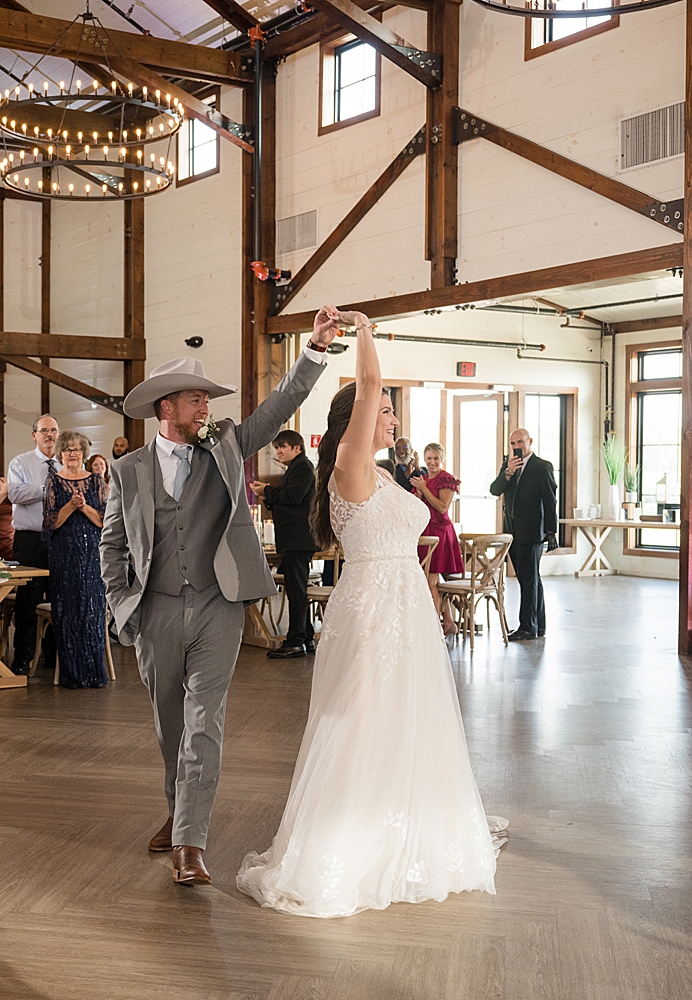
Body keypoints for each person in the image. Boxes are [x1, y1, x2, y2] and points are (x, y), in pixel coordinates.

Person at [237, 310, 505, 918]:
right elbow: (370, 389)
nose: (391, 417)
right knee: (364, 713)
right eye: (384, 411)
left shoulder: (383, 473)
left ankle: (409, 824)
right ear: (356, 419)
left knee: (410, 713)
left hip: (404, 600)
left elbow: (406, 541)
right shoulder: (349, 464)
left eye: (387, 412)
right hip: (372, 607)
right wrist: (362, 333)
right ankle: (351, 842)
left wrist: (430, 592)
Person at [100, 313, 333, 888]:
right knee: (171, 724)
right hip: (153, 610)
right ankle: (179, 812)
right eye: (194, 400)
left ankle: (190, 842)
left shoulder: (226, 444)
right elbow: (110, 544)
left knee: (205, 720)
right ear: (165, 409)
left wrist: (315, 350)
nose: (205, 408)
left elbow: (279, 406)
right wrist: (122, 605)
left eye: (207, 399)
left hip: (218, 605)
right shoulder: (128, 471)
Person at [44, 431, 108, 688]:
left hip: (92, 552)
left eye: (77, 450)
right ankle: (72, 673)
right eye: (68, 450)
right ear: (61, 454)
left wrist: (83, 507)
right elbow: (50, 523)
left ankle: (94, 671)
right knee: (68, 609)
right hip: (64, 553)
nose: (73, 453)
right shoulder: (53, 482)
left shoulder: (96, 481)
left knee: (92, 609)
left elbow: (104, 520)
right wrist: (70, 506)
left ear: (83, 453)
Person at [251, 429, 316, 659]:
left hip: (298, 539)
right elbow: (289, 499)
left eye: (283, 447)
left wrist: (268, 491)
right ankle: (306, 636)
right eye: (276, 448)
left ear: (296, 448)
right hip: (293, 539)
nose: (278, 451)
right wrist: (268, 495)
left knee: (297, 592)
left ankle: (295, 642)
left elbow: (294, 497)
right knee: (296, 590)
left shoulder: (302, 467)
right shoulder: (296, 468)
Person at [489, 428, 558, 641]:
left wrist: (551, 531)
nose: (517, 447)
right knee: (529, 579)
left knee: (528, 580)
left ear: (530, 441)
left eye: (520, 442)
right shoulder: (508, 466)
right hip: (512, 533)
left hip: (532, 533)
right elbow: (494, 490)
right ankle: (539, 624)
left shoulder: (542, 466)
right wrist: (507, 473)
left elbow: (550, 500)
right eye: (513, 444)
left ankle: (527, 627)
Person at [7, 414, 60, 675]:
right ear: (34, 435)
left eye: (53, 430)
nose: (49, 435)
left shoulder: (65, 463)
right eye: (44, 431)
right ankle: (22, 659)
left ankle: (53, 656)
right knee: (28, 600)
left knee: (57, 596)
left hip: (60, 539)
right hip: (30, 539)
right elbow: (15, 493)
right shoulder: (21, 462)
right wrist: (49, 489)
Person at [412, 442, 462, 636]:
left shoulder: (446, 479)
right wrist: (417, 494)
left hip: (439, 532)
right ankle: (448, 622)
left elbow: (442, 507)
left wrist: (424, 490)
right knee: (429, 579)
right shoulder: (422, 479)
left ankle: (432, 629)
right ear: (424, 459)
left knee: (431, 579)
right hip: (425, 531)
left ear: (442, 459)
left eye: (436, 458)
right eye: (429, 458)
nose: (432, 462)